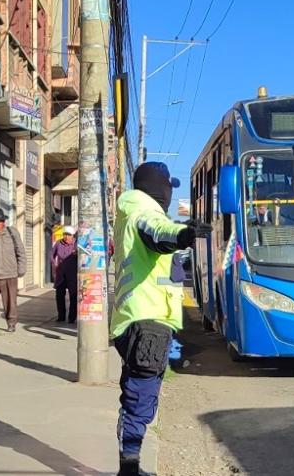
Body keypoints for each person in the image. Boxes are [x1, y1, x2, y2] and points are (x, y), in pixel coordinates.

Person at [111, 162, 210, 476]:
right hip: (146, 321)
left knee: (137, 396)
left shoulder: (134, 211)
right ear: (160, 187)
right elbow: (158, 233)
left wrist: (184, 239)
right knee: (141, 398)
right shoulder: (143, 211)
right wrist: (182, 234)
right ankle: (129, 469)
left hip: (142, 319)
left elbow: (167, 267)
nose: (170, 193)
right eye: (169, 186)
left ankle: (130, 463)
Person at [0, 208, 26, 336]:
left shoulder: (12, 233)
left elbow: (20, 251)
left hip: (10, 275)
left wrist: (21, 268)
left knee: (10, 302)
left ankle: (11, 323)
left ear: (3, 222)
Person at [51, 225, 78, 323]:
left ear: (73, 236)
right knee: (59, 295)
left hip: (72, 274)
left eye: (69, 235)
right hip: (61, 274)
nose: (66, 237)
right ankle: (61, 316)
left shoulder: (76, 245)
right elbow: (51, 254)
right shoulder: (58, 243)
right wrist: (54, 264)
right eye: (65, 235)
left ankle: (72, 318)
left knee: (73, 296)